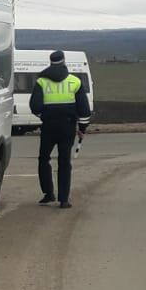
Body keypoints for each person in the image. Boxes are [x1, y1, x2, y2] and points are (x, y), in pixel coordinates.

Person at [30, 50, 91, 208]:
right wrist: (82, 128)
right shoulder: (74, 82)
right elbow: (84, 109)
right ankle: (64, 199)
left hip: (49, 127)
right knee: (64, 162)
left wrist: (44, 115)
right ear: (64, 62)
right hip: (68, 126)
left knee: (44, 159)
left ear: (50, 62)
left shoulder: (42, 81)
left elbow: (34, 106)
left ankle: (48, 193)